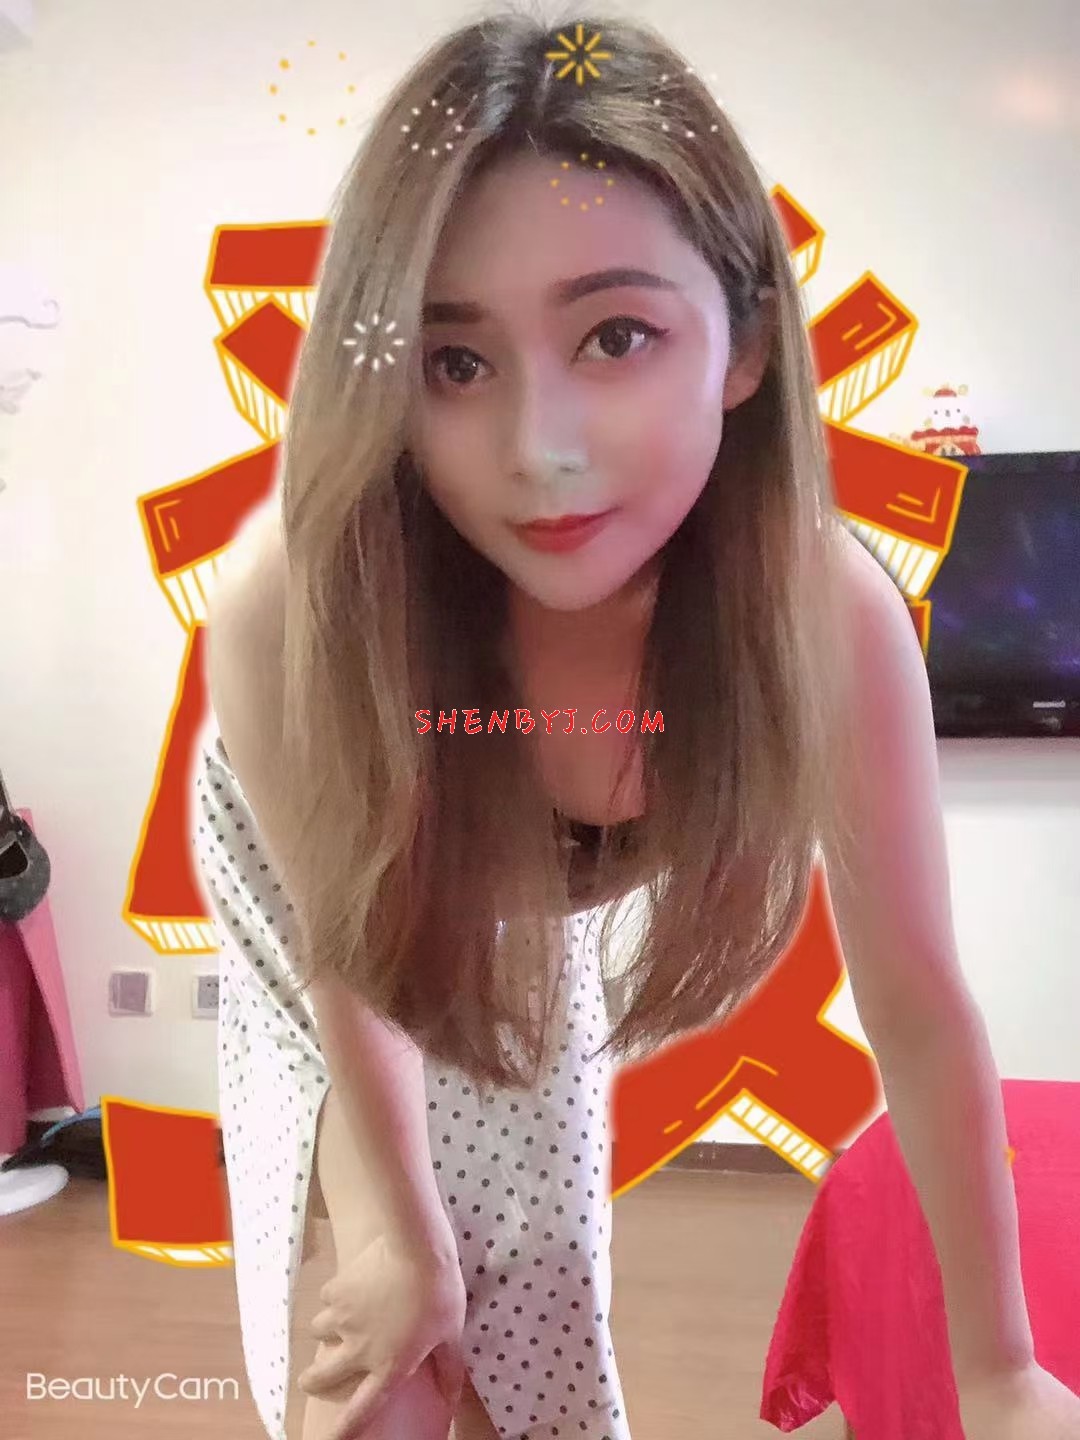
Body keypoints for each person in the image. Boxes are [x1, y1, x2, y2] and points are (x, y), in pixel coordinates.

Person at [193, 8, 1080, 1440]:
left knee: (540, 1290)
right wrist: (402, 1239)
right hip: (330, 889)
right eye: (454, 363)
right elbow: (352, 953)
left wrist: (1001, 1370)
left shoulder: (822, 618)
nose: (538, 451)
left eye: (617, 336)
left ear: (744, 344)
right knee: (390, 1362)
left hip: (496, 899)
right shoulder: (300, 617)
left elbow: (918, 1002)